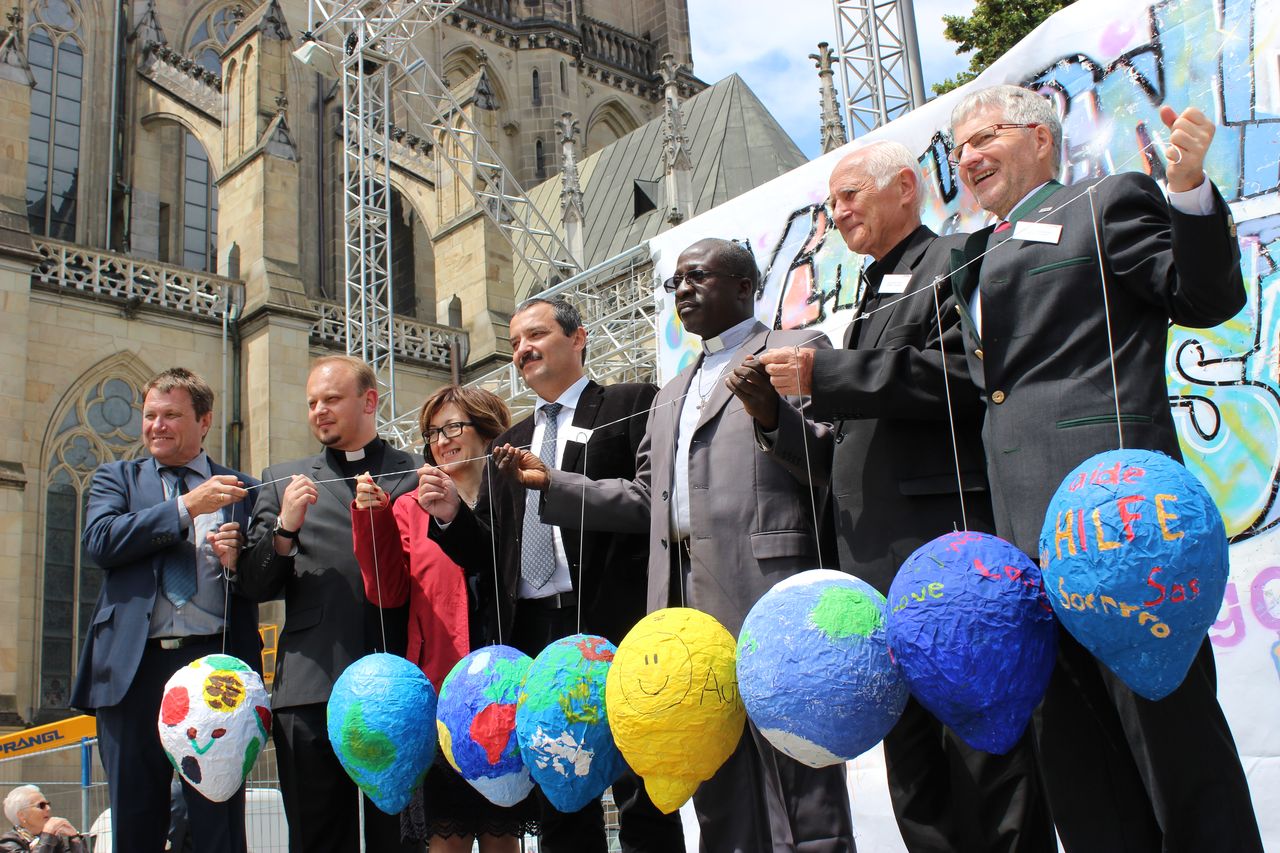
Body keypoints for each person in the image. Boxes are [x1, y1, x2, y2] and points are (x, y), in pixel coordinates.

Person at [947, 84, 1262, 852]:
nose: (967, 157)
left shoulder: (1103, 201)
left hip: (1120, 538)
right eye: (957, 149)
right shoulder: (972, 252)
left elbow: (1203, 294)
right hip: (1027, 550)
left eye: (985, 136)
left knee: (1176, 756)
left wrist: (1186, 193)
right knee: (1081, 774)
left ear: (1042, 138)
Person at [489, 238, 854, 852]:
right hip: (681, 603)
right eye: (675, 282)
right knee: (713, 765)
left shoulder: (796, 351)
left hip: (771, 590)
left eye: (699, 276)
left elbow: (831, 463)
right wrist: (553, 484)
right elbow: (643, 498)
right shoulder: (673, 390)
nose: (683, 289)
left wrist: (772, 418)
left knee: (798, 774)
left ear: (744, 287)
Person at [756, 142, 1055, 853]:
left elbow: (959, 373)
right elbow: (847, 455)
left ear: (906, 188)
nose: (839, 211)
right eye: (832, 203)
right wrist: (772, 419)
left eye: (851, 194)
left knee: (990, 770)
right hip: (878, 573)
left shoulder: (957, 257)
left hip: (947, 564)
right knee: (917, 778)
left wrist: (827, 372)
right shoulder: (872, 289)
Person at [419, 297, 683, 853]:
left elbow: (649, 505)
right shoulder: (508, 440)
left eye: (536, 335)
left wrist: (554, 485)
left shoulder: (630, 403)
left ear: (578, 337)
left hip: (613, 620)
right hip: (535, 631)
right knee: (559, 789)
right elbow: (488, 555)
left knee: (639, 782)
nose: (523, 351)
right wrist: (449, 517)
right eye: (514, 343)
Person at [239, 355, 422, 853]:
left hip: (397, 683)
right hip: (310, 686)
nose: (319, 410)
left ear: (369, 401)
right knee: (316, 836)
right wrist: (285, 528)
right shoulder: (282, 480)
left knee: (401, 838)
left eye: (331, 399)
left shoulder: (415, 473)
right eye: (312, 403)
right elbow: (254, 585)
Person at [70, 367, 257, 853]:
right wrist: (186, 508)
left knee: (218, 825)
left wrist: (239, 564)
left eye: (171, 415)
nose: (156, 425)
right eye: (150, 415)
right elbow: (102, 541)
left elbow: (268, 579)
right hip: (133, 672)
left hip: (213, 672)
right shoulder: (118, 479)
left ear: (204, 421)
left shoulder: (244, 489)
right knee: (135, 822)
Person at [351, 385, 538, 852]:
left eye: (454, 427)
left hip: (505, 690)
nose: (442, 441)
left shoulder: (519, 492)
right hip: (440, 692)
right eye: (433, 432)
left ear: (488, 430)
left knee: (502, 839)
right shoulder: (410, 507)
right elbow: (387, 591)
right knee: (445, 839)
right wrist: (370, 520)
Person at [2, 787, 86, 853]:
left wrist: (74, 837)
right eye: (41, 805)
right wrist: (47, 836)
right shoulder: (8, 843)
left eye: (48, 804)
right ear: (22, 815)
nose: (48, 808)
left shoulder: (54, 838)